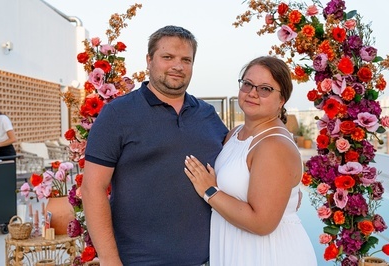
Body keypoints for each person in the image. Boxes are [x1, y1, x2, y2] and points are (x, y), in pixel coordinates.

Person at [81, 25, 228, 266]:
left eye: (186, 59)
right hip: (139, 261)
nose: (177, 66)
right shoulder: (117, 114)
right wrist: (109, 259)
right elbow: (92, 189)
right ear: (149, 60)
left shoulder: (207, 115)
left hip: (209, 259)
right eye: (167, 57)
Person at [184, 56, 317, 266]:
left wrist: (209, 191)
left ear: (282, 100)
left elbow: (262, 223)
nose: (252, 93)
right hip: (238, 249)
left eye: (265, 89)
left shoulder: (273, 145)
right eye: (247, 84)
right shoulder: (235, 134)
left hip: (269, 254)